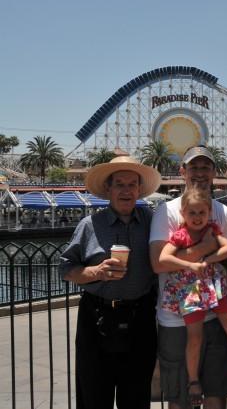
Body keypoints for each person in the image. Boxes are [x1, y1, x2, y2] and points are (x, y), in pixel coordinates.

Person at [59, 156, 161, 409]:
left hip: (140, 317)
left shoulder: (153, 222)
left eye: (132, 184)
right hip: (97, 317)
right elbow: (66, 268)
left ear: (139, 189)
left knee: (136, 395)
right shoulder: (89, 225)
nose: (126, 190)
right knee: (94, 394)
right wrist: (96, 272)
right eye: (119, 184)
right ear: (108, 189)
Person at [149, 146, 227, 409]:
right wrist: (206, 249)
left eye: (205, 167)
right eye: (194, 167)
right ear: (182, 172)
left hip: (215, 315)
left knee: (215, 394)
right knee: (179, 397)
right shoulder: (165, 211)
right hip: (176, 319)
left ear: (213, 172)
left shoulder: (226, 214)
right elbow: (157, 263)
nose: (199, 173)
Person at [158, 188, 227, 406]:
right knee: (195, 337)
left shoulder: (212, 230)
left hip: (212, 286)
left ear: (209, 212)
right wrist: (190, 264)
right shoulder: (180, 235)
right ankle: (193, 381)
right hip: (191, 291)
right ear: (183, 213)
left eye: (201, 212)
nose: (197, 217)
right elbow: (164, 258)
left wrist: (207, 261)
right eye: (192, 213)